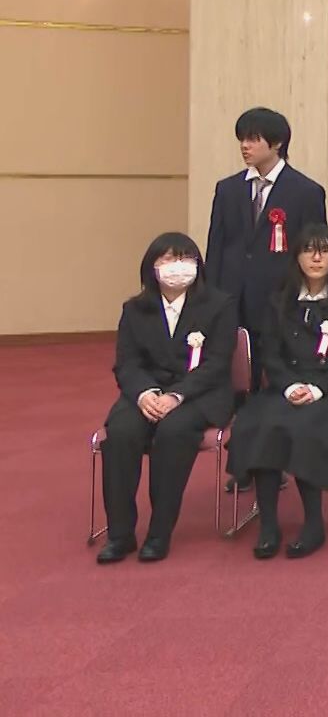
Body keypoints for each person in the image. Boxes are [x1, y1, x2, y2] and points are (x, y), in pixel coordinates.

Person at [227, 224, 328, 560]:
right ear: (297, 257)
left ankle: (313, 524)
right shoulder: (280, 300)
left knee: (306, 428)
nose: (316, 258)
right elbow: (270, 352)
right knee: (261, 424)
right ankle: (268, 525)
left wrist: (318, 388)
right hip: (285, 385)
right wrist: (290, 385)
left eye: (324, 250)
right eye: (308, 250)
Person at [97, 234, 239, 564]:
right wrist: (145, 394)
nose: (177, 266)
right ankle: (120, 535)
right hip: (147, 392)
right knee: (121, 433)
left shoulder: (219, 305)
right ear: (151, 267)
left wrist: (177, 395)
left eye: (184, 258)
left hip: (200, 394)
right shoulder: (134, 309)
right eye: (168, 259)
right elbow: (127, 363)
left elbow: (218, 363)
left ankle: (159, 533)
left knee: (174, 432)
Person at [207, 107, 327, 343]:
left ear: (277, 143)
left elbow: (313, 251)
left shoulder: (306, 192)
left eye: (253, 139)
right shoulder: (228, 189)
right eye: (242, 139)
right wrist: (211, 298)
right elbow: (216, 247)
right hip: (231, 302)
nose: (245, 146)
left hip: (280, 303)